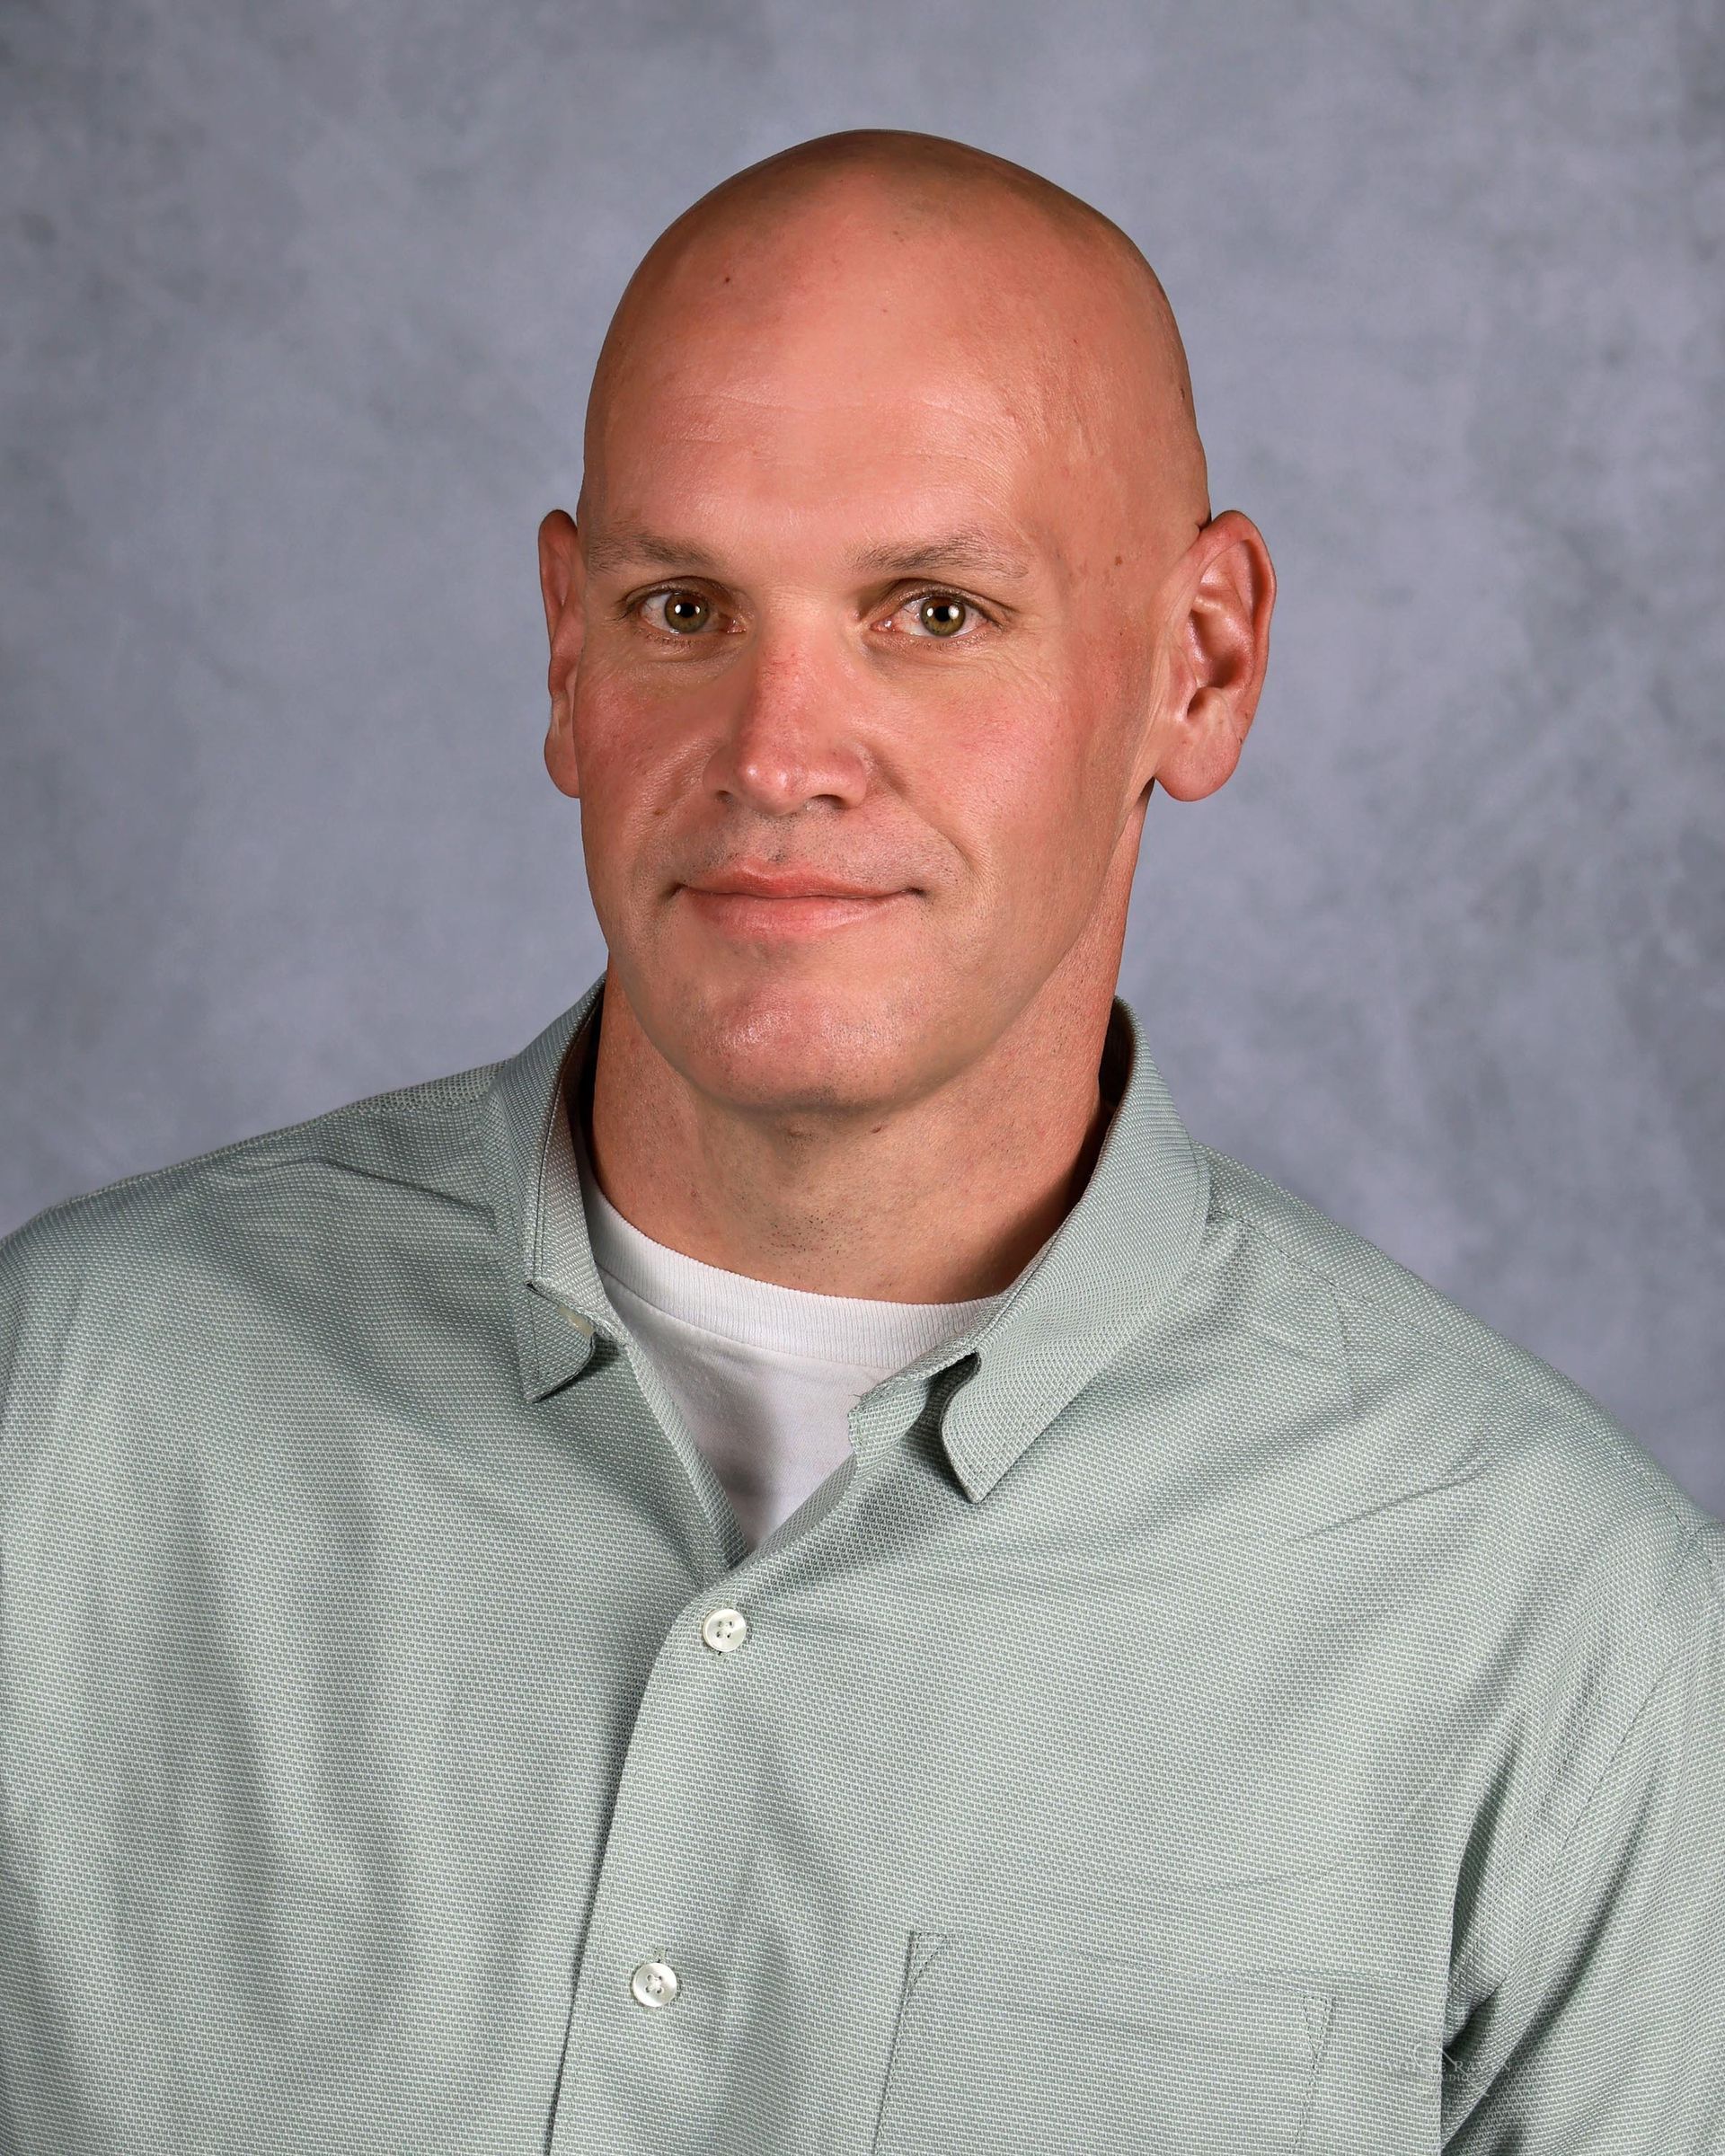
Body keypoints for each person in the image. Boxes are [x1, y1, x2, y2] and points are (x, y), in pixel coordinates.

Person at [0, 127, 1718, 2156]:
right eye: (681, 605)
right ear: (566, 649)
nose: (779, 753)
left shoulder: (1563, 1642)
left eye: (934, 611)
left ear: (1203, 660)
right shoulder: (58, 1420)